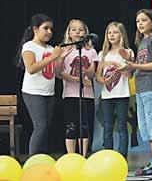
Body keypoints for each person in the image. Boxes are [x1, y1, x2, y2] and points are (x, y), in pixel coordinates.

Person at [18, 14, 71, 155]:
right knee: (40, 126)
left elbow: (57, 72)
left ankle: (42, 158)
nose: (49, 32)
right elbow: (31, 68)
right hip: (33, 92)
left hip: (49, 92)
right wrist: (54, 56)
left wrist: (60, 59)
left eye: (51, 29)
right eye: (45, 28)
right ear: (35, 29)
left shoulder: (50, 48)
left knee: (46, 128)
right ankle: (32, 161)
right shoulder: (29, 46)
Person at [129, 9, 152, 176]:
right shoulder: (142, 42)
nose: (140, 24)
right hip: (141, 88)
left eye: (144, 20)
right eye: (138, 21)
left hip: (151, 87)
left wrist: (135, 66)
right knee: (146, 127)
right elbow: (140, 64)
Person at [60, 19, 98, 156]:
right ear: (69, 32)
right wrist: (77, 79)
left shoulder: (91, 51)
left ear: (86, 33)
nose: (77, 32)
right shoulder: (65, 50)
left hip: (87, 94)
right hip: (70, 94)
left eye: (81, 29)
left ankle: (82, 155)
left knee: (84, 126)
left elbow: (92, 73)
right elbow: (59, 73)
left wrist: (86, 73)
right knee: (71, 126)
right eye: (74, 29)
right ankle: (71, 156)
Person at [96, 22, 133, 158]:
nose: (111, 35)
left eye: (115, 32)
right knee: (108, 126)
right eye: (109, 32)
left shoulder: (128, 52)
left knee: (122, 126)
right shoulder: (102, 54)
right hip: (107, 95)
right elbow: (98, 77)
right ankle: (108, 156)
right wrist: (104, 81)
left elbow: (129, 75)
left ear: (121, 35)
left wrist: (117, 64)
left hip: (122, 94)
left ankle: (122, 156)